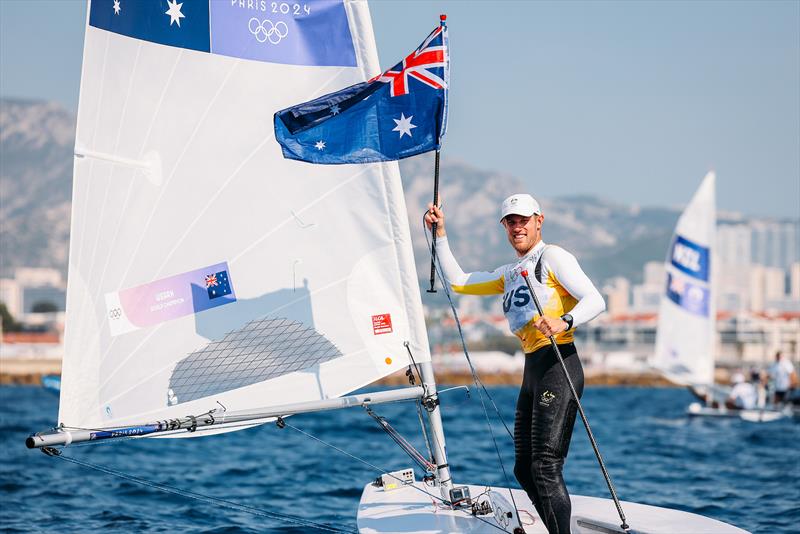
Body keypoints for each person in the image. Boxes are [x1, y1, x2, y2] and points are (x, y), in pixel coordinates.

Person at [425, 193, 605, 534]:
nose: (517, 226)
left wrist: (564, 321)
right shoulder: (509, 273)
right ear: (505, 228)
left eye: (523, 219)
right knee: (525, 468)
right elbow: (459, 282)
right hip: (532, 369)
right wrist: (440, 235)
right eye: (510, 221)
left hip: (558, 364)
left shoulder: (552, 257)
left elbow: (596, 299)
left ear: (539, 220)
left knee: (545, 466)